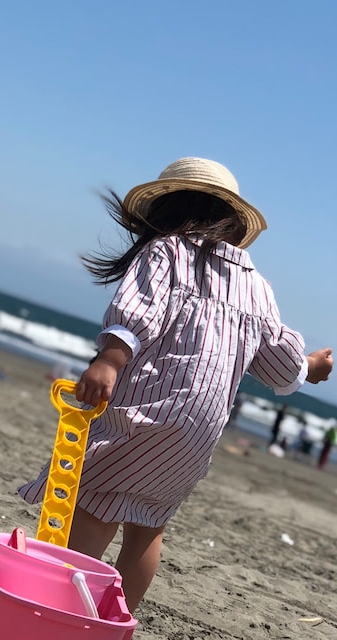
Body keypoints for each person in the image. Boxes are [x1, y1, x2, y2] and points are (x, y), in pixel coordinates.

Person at [18, 157, 333, 615]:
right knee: (148, 526)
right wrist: (308, 367)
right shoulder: (256, 287)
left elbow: (137, 312)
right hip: (195, 439)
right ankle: (113, 622)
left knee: (95, 505)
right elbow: (277, 366)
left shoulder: (166, 252)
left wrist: (109, 360)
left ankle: (55, 612)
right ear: (232, 222)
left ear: (165, 211)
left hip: (147, 413)